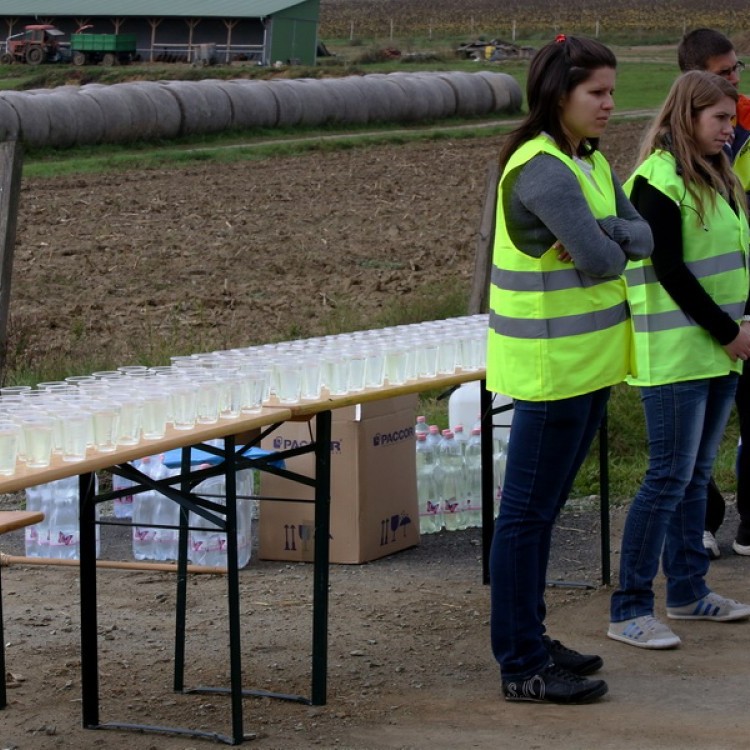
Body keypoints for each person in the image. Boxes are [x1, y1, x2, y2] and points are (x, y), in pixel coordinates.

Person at [486, 35, 653, 703]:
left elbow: (643, 235)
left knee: (541, 513)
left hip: (584, 366)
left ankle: (532, 637)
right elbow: (615, 258)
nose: (611, 104)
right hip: (550, 366)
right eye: (599, 93)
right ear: (560, 95)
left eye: (611, 91)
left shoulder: (585, 160)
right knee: (526, 518)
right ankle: (522, 664)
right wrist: (606, 237)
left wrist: (602, 234)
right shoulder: (546, 169)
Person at [608, 70, 750, 650]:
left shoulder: (717, 176)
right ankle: (629, 608)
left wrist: (741, 325)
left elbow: (737, 255)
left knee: (695, 477)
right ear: (687, 116)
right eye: (719, 119)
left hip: (718, 352)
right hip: (676, 355)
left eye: (732, 119)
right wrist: (727, 331)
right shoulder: (655, 182)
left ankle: (689, 592)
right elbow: (669, 270)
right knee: (666, 478)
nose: (730, 129)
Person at [678, 28, 750, 560]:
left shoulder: (745, 124)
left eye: (737, 69)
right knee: (697, 430)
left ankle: (748, 523)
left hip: (746, 291)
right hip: (701, 313)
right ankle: (700, 521)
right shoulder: (673, 160)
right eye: (724, 73)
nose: (736, 80)